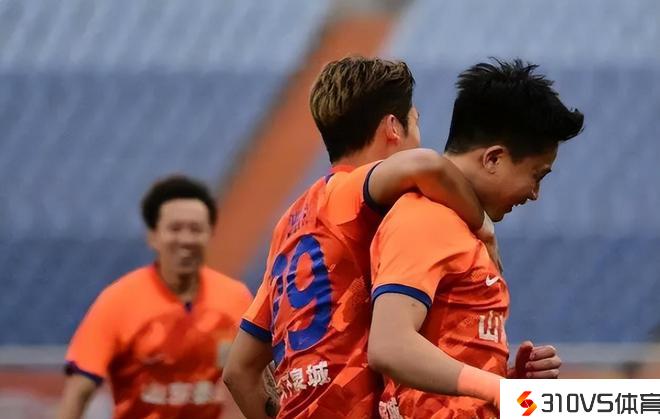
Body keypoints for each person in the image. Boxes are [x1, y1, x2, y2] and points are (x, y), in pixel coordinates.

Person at [223, 56, 499, 419]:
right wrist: (483, 226)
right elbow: (427, 165)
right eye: (415, 122)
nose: (419, 137)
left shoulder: (290, 222)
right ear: (393, 128)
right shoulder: (348, 193)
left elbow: (238, 372)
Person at [367, 58, 584, 419]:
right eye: (537, 175)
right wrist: (496, 389)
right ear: (493, 159)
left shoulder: (463, 228)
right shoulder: (427, 219)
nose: (534, 194)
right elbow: (389, 346)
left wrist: (507, 383)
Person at [57, 175, 252, 419]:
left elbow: (260, 375)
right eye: (175, 229)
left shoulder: (236, 298)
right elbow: (78, 392)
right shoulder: (118, 301)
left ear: (210, 233)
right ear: (153, 235)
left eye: (196, 229)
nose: (186, 239)